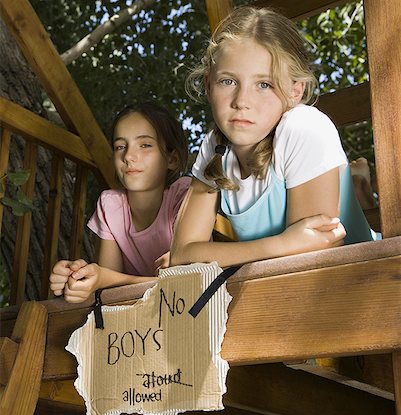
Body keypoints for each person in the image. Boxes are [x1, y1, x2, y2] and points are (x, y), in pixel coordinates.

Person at [170, 6, 376, 269]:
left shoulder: (304, 127)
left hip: (361, 279)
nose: (242, 101)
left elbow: (314, 255)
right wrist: (282, 244)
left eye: (264, 84)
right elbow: (182, 254)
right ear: (208, 84)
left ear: (295, 91)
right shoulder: (215, 146)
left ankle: (359, 183)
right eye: (228, 81)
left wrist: (216, 255)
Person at [50, 102, 190, 303]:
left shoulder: (183, 196)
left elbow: (186, 286)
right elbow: (108, 292)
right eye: (120, 147)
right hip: (134, 322)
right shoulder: (110, 206)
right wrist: (79, 278)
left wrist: (103, 278)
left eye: (145, 145)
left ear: (172, 159)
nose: (129, 156)